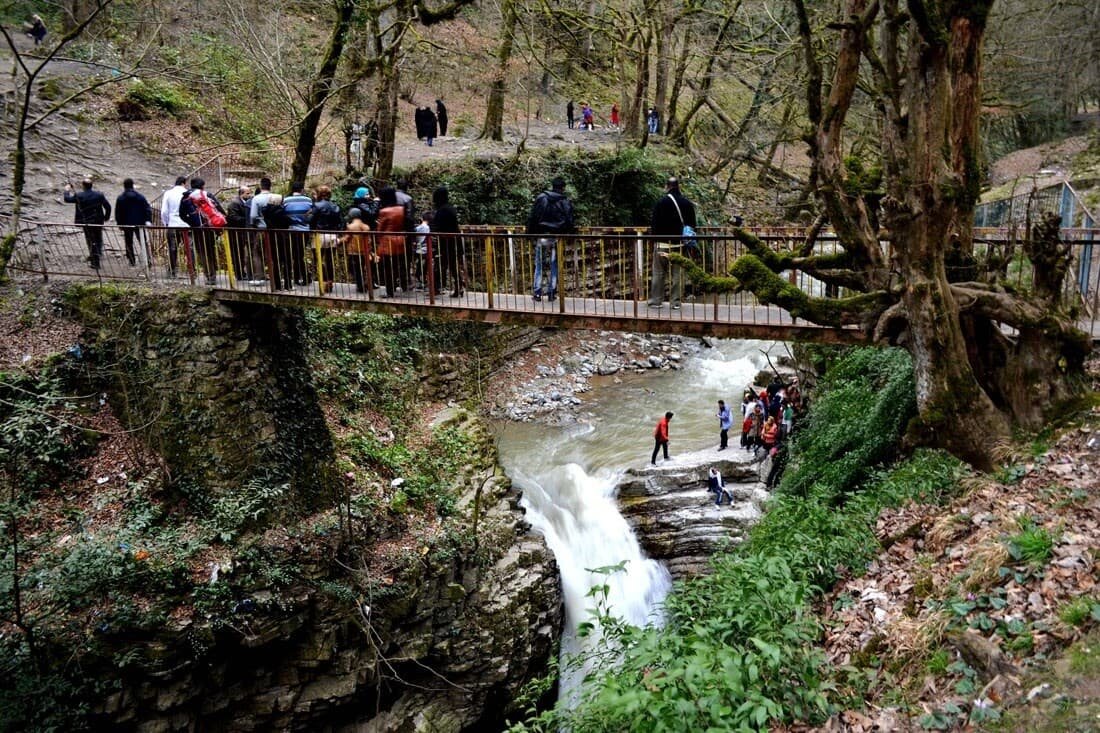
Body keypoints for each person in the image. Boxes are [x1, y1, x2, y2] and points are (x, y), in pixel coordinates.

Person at [647, 176, 696, 310]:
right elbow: (692, 226)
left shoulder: (660, 203)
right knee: (677, 274)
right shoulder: (687, 203)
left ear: (667, 186)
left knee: (658, 273)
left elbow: (654, 225)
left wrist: (653, 241)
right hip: (679, 245)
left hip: (662, 244)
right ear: (678, 186)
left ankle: (656, 302)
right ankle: (675, 303)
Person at [525, 176, 575, 301]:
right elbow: (569, 220)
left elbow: (533, 217)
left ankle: (537, 293)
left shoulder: (541, 198)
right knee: (554, 265)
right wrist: (569, 234)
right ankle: (551, 293)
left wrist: (529, 234)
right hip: (556, 237)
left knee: (539, 265)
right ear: (563, 188)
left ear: (552, 186)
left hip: (542, 236)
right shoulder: (565, 201)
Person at [185, 178, 226, 286]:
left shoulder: (186, 197)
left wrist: (192, 223)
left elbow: (181, 213)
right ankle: (213, 274)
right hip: (210, 227)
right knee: (210, 249)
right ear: (202, 186)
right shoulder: (207, 194)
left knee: (202, 252)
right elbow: (219, 209)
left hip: (197, 229)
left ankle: (209, 275)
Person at [64, 178, 111, 270]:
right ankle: (96, 254)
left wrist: (67, 190)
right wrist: (106, 217)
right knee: (97, 238)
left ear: (83, 186)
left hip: (86, 221)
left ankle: (95, 260)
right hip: (98, 220)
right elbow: (108, 207)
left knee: (90, 239)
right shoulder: (99, 195)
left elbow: (67, 199)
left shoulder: (79, 196)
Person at [375, 187, 408, 297]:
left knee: (387, 267)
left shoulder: (384, 211)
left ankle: (390, 291)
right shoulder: (401, 209)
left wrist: (377, 241)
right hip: (400, 239)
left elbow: (380, 228)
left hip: (387, 241)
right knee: (397, 264)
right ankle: (401, 285)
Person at [432, 186, 463, 297]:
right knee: (452, 265)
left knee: (440, 264)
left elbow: (437, 225)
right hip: (453, 241)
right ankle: (458, 287)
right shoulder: (450, 208)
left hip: (446, 242)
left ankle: (436, 289)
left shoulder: (442, 210)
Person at [114, 178, 152, 267]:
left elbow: (118, 212)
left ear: (124, 186)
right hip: (140, 222)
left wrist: (119, 223)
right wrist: (148, 220)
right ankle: (147, 259)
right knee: (143, 241)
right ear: (132, 185)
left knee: (128, 242)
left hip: (126, 223)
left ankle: (131, 260)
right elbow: (147, 209)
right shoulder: (140, 197)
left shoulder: (121, 198)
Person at [312, 185, 343, 293]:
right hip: (332, 235)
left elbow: (312, 220)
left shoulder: (316, 206)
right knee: (330, 260)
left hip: (320, 235)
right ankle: (330, 280)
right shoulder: (335, 206)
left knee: (318, 259)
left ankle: (324, 280)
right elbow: (340, 222)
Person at [282, 182, 314, 286]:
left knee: (293, 255)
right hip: (304, 231)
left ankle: (296, 278)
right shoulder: (308, 200)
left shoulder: (286, 200)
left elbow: (283, 214)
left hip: (291, 231)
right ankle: (304, 277)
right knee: (299, 255)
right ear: (302, 189)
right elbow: (311, 214)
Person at [159, 175, 189, 277]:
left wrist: (166, 223)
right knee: (189, 248)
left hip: (173, 223)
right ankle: (192, 270)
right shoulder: (187, 193)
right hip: (186, 224)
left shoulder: (168, 193)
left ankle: (172, 270)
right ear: (184, 183)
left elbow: (164, 211)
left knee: (173, 247)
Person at [226, 185, 254, 281]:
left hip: (242, 231)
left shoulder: (243, 202)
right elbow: (233, 217)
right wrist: (247, 220)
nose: (249, 195)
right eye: (247, 193)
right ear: (241, 194)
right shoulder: (234, 203)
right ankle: (239, 273)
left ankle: (243, 273)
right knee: (237, 253)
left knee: (241, 253)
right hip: (236, 232)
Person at [342, 208, 372, 293]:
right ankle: (365, 283)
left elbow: (347, 238)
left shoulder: (350, 226)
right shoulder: (366, 227)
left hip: (353, 251)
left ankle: (360, 286)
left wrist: (339, 240)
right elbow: (369, 240)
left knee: (355, 269)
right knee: (362, 268)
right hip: (364, 251)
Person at [413, 210, 434, 291]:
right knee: (425, 267)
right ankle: (424, 283)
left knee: (420, 266)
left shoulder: (417, 228)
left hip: (418, 250)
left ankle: (420, 282)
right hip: (426, 250)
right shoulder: (428, 228)